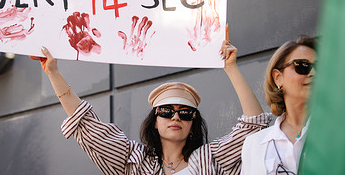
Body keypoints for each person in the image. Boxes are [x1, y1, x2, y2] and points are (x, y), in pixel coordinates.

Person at [30, 27, 271, 174]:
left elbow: (254, 127)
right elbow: (88, 125)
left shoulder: (213, 158)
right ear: (154, 121)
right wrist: (53, 72)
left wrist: (230, 68)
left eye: (185, 113)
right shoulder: (133, 162)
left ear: (192, 123)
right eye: (166, 111)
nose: (176, 116)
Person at [240, 35, 316, 175]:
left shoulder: (339, 133)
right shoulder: (255, 144)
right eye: (302, 66)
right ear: (278, 78)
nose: (314, 73)